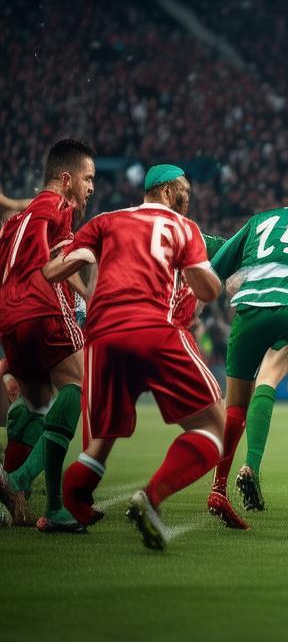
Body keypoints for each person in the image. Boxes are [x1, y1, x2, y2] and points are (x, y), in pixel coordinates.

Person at [39, 164, 225, 550]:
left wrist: (82, 267)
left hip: (102, 337)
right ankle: (152, 498)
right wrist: (200, 274)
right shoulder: (183, 227)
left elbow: (52, 271)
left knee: (100, 442)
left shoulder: (105, 222)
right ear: (168, 190)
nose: (187, 197)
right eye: (184, 190)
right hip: (154, 330)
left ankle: (74, 499)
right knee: (213, 427)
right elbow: (209, 291)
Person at [207, 169, 288, 519]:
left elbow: (217, 267)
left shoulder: (260, 220)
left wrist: (217, 291)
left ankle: (218, 488)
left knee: (236, 405)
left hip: (249, 312)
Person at [0, 139, 95, 531]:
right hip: (41, 309)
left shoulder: (17, 220)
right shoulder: (58, 205)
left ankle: (34, 507)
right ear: (67, 179)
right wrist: (89, 277)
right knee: (81, 383)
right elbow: (54, 263)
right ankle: (18, 481)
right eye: (88, 178)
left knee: (37, 403)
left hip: (8, 317)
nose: (91, 187)